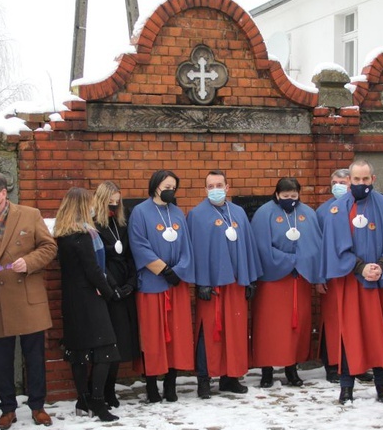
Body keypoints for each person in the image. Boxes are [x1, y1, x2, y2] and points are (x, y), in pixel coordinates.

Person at [0, 172, 57, 430]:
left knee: (35, 357)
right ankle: (7, 409)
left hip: (28, 296)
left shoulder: (30, 214)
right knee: (2, 361)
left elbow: (49, 247)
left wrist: (28, 262)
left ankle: (38, 406)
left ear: (3, 193)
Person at [321, 161, 383, 404]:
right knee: (350, 334)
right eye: (356, 180)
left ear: (373, 179)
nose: (361, 184)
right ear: (350, 180)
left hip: (380, 281)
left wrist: (382, 264)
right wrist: (361, 267)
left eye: (365, 179)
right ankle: (346, 388)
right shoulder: (337, 209)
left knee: (380, 332)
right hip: (351, 282)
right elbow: (335, 246)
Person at [186, 171, 262, 399]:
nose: (215, 189)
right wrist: (202, 282)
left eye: (219, 185)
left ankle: (230, 377)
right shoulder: (197, 215)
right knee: (208, 333)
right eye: (211, 186)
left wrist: (249, 279)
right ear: (205, 189)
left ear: (227, 187)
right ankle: (204, 379)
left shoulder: (237, 212)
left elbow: (248, 246)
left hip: (236, 283)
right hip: (211, 286)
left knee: (235, 332)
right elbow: (195, 251)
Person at [128, 170, 195, 402]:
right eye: (167, 186)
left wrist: (178, 271)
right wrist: (162, 269)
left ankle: (171, 384)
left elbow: (187, 246)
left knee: (177, 336)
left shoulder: (177, 212)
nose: (170, 191)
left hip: (176, 285)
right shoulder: (140, 212)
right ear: (156, 186)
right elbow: (139, 244)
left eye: (174, 188)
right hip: (152, 284)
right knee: (152, 336)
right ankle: (152, 386)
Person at [251, 177, 324, 388]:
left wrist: (306, 264)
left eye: (294, 196)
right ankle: (266, 370)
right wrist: (289, 259)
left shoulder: (307, 213)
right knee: (269, 326)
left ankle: (292, 368)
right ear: (276, 195)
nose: (290, 199)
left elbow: (315, 244)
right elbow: (261, 246)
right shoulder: (264, 213)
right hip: (273, 279)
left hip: (298, 278)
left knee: (296, 326)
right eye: (285, 196)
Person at [55, 188, 120, 422]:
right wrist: (109, 292)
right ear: (83, 206)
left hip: (72, 299)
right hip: (90, 298)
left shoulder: (64, 235)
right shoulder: (84, 236)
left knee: (79, 352)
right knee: (106, 349)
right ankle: (97, 401)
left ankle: (82, 400)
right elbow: (93, 270)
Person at [92, 181, 141, 408]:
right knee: (108, 344)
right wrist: (113, 288)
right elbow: (98, 262)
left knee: (121, 342)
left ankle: (111, 388)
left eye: (117, 201)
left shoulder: (121, 224)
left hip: (124, 286)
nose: (114, 205)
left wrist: (131, 283)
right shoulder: (94, 227)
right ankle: (102, 390)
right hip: (107, 290)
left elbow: (131, 255)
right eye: (110, 201)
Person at [315, 169, 349, 384]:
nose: (338, 186)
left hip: (355, 274)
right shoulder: (322, 211)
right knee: (332, 321)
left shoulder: (360, 207)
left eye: (342, 182)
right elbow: (318, 248)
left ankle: (353, 363)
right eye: (334, 182)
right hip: (331, 275)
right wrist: (320, 277)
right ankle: (332, 364)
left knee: (353, 321)